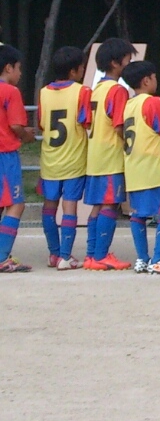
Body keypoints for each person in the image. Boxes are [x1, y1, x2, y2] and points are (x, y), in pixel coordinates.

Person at [120, 61, 160, 275]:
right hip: (153, 167)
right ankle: (158, 258)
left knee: (137, 213)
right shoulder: (153, 102)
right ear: (146, 80)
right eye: (154, 77)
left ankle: (142, 258)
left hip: (134, 167)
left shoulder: (129, 105)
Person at [83, 37, 135, 271]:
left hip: (95, 155)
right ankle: (101, 254)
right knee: (109, 205)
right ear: (115, 63)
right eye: (127, 60)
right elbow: (119, 125)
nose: (129, 64)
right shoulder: (117, 90)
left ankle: (91, 254)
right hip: (111, 156)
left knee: (98, 206)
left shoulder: (96, 89)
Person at [37, 46, 91, 270]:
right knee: (69, 207)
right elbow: (86, 122)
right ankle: (66, 257)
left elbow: (41, 123)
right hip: (73, 159)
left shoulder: (43, 92)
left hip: (50, 159)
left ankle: (54, 253)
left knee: (49, 207)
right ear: (73, 71)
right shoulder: (82, 91)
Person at [0, 45, 35, 272]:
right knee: (16, 205)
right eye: (19, 68)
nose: (20, 73)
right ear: (8, 68)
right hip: (4, 154)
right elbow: (15, 125)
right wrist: (26, 135)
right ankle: (2, 256)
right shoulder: (10, 92)